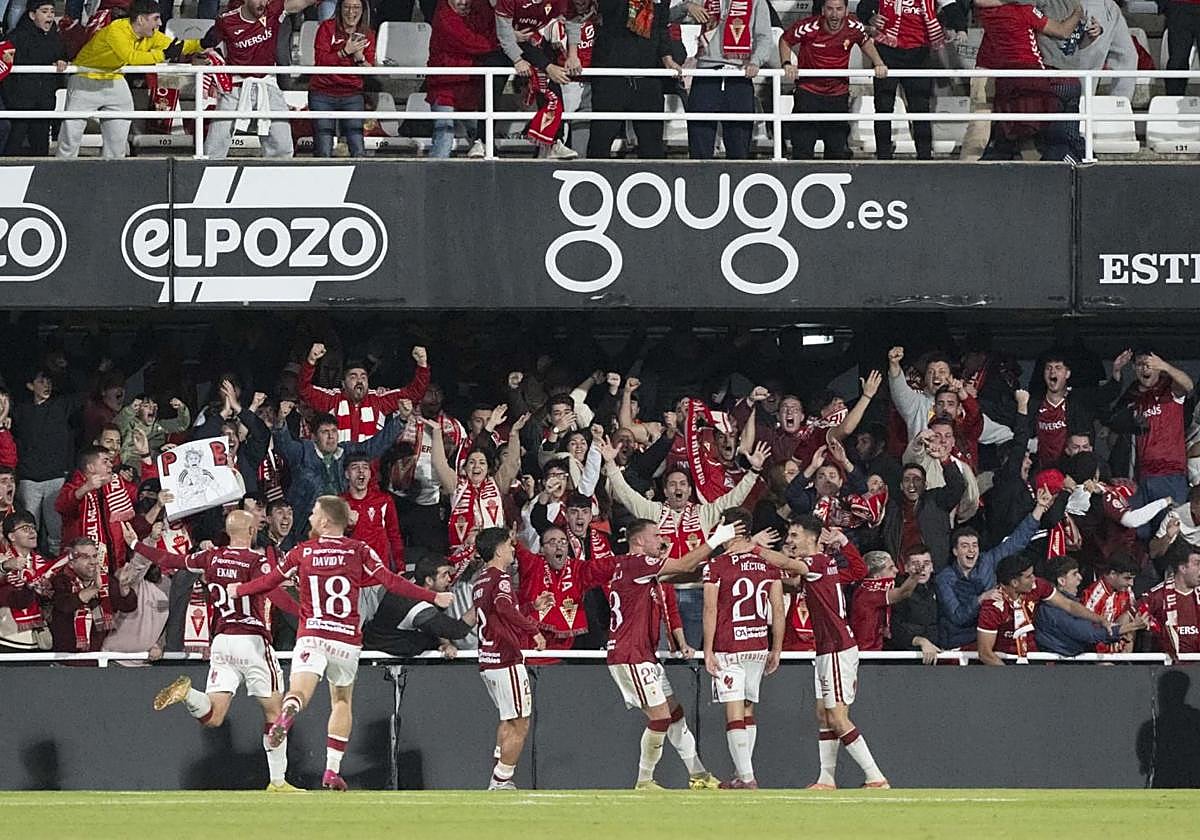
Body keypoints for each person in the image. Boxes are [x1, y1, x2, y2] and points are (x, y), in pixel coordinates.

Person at [229, 496, 453, 791]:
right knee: (342, 701)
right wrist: (433, 597)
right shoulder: (359, 550)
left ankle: (289, 712)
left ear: (324, 521)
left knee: (298, 691)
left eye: (312, 512)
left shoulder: (302, 551)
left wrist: (240, 589)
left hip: (312, 634)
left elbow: (269, 581)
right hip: (345, 639)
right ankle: (331, 771)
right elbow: (390, 581)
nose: (308, 517)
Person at [148, 511, 302, 792]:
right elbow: (275, 594)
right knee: (275, 712)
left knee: (214, 717)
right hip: (251, 640)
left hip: (221, 642)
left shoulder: (211, 557)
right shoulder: (255, 561)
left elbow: (170, 560)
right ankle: (278, 781)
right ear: (252, 530)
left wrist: (138, 546)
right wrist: (305, 615)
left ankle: (188, 694)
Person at [756, 514, 889, 789]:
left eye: (794, 535)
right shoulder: (823, 564)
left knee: (838, 718)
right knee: (823, 715)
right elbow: (792, 575)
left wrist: (753, 547)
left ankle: (875, 777)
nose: (789, 541)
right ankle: (826, 779)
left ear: (812, 539)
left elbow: (786, 564)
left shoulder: (815, 562)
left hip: (838, 648)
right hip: (827, 649)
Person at [606, 516, 736, 789]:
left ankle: (698, 773)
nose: (661, 539)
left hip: (643, 655)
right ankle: (644, 781)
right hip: (631, 655)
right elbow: (686, 565)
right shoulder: (638, 563)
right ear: (639, 540)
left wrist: (723, 557)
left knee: (675, 712)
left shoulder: (633, 568)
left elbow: (688, 571)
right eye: (655, 535)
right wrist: (716, 539)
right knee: (661, 717)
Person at [57, 0, 201, 159]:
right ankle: (59, 175)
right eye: (156, 18)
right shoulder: (116, 29)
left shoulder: (150, 35)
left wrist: (202, 44)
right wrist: (164, 55)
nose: (160, 23)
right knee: (70, 138)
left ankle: (114, 173)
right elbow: (131, 57)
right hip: (85, 80)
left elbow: (177, 45)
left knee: (117, 143)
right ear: (141, 19)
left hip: (115, 79)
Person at [701, 508, 782, 789]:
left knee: (734, 712)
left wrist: (707, 650)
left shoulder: (717, 566)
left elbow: (710, 609)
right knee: (748, 710)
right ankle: (741, 772)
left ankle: (748, 778)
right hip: (758, 645)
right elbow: (779, 610)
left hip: (729, 645)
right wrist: (777, 648)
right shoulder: (767, 564)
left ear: (730, 528)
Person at [472, 527, 548, 790]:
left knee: (508, 719)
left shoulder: (481, 581)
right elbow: (504, 608)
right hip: (505, 659)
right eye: (510, 545)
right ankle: (501, 780)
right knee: (521, 722)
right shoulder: (500, 578)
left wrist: (531, 608)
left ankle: (498, 775)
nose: (514, 549)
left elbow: (499, 611)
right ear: (498, 549)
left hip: (488, 660)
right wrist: (534, 630)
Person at [201, 0, 322, 160]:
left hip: (268, 85)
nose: (263, 3)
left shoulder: (273, 10)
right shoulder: (226, 21)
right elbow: (204, 47)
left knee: (283, 144)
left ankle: (279, 177)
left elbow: (303, 2)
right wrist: (205, 59)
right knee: (215, 143)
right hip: (236, 88)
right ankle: (209, 175)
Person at [973, 0, 1086, 161]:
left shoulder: (987, 14)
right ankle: (1058, 168)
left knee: (1010, 135)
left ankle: (988, 172)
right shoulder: (1025, 11)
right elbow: (1063, 31)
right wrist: (1077, 14)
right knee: (1047, 134)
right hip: (1031, 77)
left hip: (1006, 79)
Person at [935, 494, 1048, 650]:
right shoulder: (944, 578)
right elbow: (957, 616)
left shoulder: (987, 561)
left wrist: (1040, 508)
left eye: (974, 545)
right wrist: (981, 598)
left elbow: (1017, 541)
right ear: (955, 551)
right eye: (965, 546)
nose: (971, 550)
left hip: (990, 637)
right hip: (958, 644)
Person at [779, 0, 888, 160]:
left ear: (846, 11)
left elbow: (865, 42)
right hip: (808, 94)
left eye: (839, 9)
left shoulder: (854, 26)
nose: (834, 14)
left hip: (838, 96)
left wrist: (879, 63)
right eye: (830, 9)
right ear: (823, 10)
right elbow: (785, 40)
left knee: (837, 151)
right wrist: (787, 63)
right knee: (802, 149)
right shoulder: (808, 27)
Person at [976, 551, 1112, 665]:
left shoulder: (1038, 586)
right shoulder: (993, 607)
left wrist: (1099, 619)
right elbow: (985, 653)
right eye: (1028, 576)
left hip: (1034, 659)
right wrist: (1011, 679)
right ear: (1015, 582)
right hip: (1006, 662)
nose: (1034, 579)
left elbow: (1068, 605)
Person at [683, 0, 774, 160]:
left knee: (739, 147)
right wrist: (687, 6)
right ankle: (698, 182)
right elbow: (668, 16)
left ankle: (738, 182)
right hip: (706, 75)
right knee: (699, 144)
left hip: (739, 76)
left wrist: (756, 60)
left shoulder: (756, 2)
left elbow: (764, 36)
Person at [427, 408, 530, 549]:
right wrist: (437, 433)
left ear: (488, 468)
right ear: (464, 468)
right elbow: (439, 463)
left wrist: (514, 434)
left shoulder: (497, 483)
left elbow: (512, 462)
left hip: (494, 549)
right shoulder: (455, 484)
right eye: (471, 462)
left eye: (482, 463)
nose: (476, 466)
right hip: (464, 550)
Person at [585, 0, 674, 159]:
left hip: (647, 77)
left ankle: (652, 181)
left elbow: (661, 27)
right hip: (611, 77)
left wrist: (667, 57)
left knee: (652, 145)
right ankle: (592, 180)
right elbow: (606, 10)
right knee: (601, 141)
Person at [856, 0, 942, 159]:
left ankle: (925, 157)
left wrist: (958, 28)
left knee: (920, 107)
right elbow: (863, 8)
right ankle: (883, 156)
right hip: (887, 50)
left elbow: (951, 6)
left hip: (919, 53)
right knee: (883, 106)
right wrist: (870, 18)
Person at [299, 343, 430, 444]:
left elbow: (415, 393)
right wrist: (310, 361)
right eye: (353, 377)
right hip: (338, 472)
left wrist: (422, 365)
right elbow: (304, 390)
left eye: (363, 377)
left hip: (370, 474)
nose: (359, 381)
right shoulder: (332, 399)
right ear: (343, 384)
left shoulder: (379, 400)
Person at [12, 367, 80, 556]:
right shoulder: (21, 411)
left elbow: (82, 394)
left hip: (55, 477)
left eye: (49, 382)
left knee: (56, 529)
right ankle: (27, 568)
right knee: (28, 529)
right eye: (41, 381)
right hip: (29, 479)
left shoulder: (61, 405)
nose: (46, 385)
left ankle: (56, 569)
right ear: (30, 386)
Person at [427, 0, 500, 159]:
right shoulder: (443, 16)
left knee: (482, 138)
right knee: (444, 135)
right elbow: (470, 42)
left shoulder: (480, 9)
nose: (464, 2)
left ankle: (484, 180)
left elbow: (495, 25)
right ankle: (435, 176)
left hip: (470, 87)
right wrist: (501, 41)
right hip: (444, 86)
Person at [1034, 555, 1143, 657]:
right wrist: (1130, 627)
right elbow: (1089, 634)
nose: (1080, 578)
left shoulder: (1070, 604)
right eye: (1074, 574)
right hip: (1064, 665)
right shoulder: (1052, 610)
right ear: (1061, 581)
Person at [363, 559, 476, 657]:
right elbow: (457, 630)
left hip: (374, 637)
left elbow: (436, 623)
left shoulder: (409, 578)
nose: (449, 579)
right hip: (381, 652)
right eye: (444, 575)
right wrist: (480, 602)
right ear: (429, 580)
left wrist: (445, 643)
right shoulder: (418, 609)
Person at [48, 536, 138, 653]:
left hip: (97, 658)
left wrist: (124, 588)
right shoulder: (60, 580)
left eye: (94, 556)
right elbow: (65, 605)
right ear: (71, 564)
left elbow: (128, 606)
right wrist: (94, 588)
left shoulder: (107, 581)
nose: (92, 562)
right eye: (85, 557)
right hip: (64, 659)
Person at [310, 0, 376, 158]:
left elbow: (369, 70)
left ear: (363, 10)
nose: (351, 12)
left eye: (356, 7)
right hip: (323, 93)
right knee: (323, 148)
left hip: (352, 94)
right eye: (347, 7)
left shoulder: (368, 34)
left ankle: (360, 181)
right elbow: (321, 61)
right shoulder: (327, 28)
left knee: (357, 145)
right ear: (340, 9)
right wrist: (345, 51)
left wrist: (359, 57)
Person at [2, 0, 67, 157]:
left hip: (44, 101)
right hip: (20, 103)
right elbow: (3, 60)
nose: (50, 15)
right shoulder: (17, 36)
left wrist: (62, 61)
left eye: (52, 11)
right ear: (32, 15)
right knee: (14, 144)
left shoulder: (55, 37)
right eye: (44, 11)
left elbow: (62, 55)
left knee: (41, 147)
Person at [1137, 541, 1200, 662]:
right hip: (1168, 669)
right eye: (1197, 564)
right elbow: (1129, 617)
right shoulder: (1157, 595)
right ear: (1182, 568)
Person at [849, 550, 923, 652]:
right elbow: (904, 593)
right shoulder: (867, 594)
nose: (896, 570)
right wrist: (915, 575)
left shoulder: (876, 591)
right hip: (865, 655)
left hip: (878, 651)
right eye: (890, 568)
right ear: (876, 576)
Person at [342, 454, 404, 572]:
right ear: (347, 474)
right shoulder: (339, 503)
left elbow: (394, 536)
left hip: (380, 574)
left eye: (365, 467)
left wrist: (400, 566)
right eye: (355, 467)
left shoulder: (384, 501)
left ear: (370, 474)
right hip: (351, 574)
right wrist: (348, 527)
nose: (361, 471)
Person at [1163, 0, 1200, 97]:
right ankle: (1173, 103)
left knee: (1177, 60)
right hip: (1179, 6)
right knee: (1177, 61)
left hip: (1179, 7)